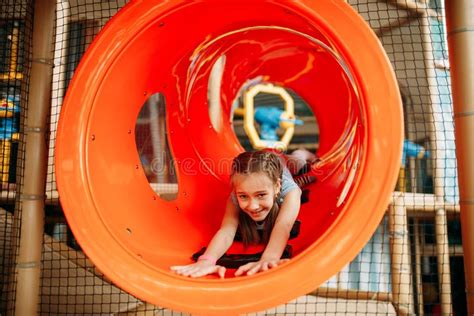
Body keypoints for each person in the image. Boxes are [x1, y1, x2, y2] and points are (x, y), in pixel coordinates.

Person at [170, 149, 316, 278]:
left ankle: (304, 152)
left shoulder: (291, 191)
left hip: (278, 159)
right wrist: (206, 261)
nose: (253, 206)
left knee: (299, 162)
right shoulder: (235, 195)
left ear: (277, 187)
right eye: (244, 196)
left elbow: (283, 225)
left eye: (261, 195)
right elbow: (227, 231)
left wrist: (269, 258)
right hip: (262, 166)